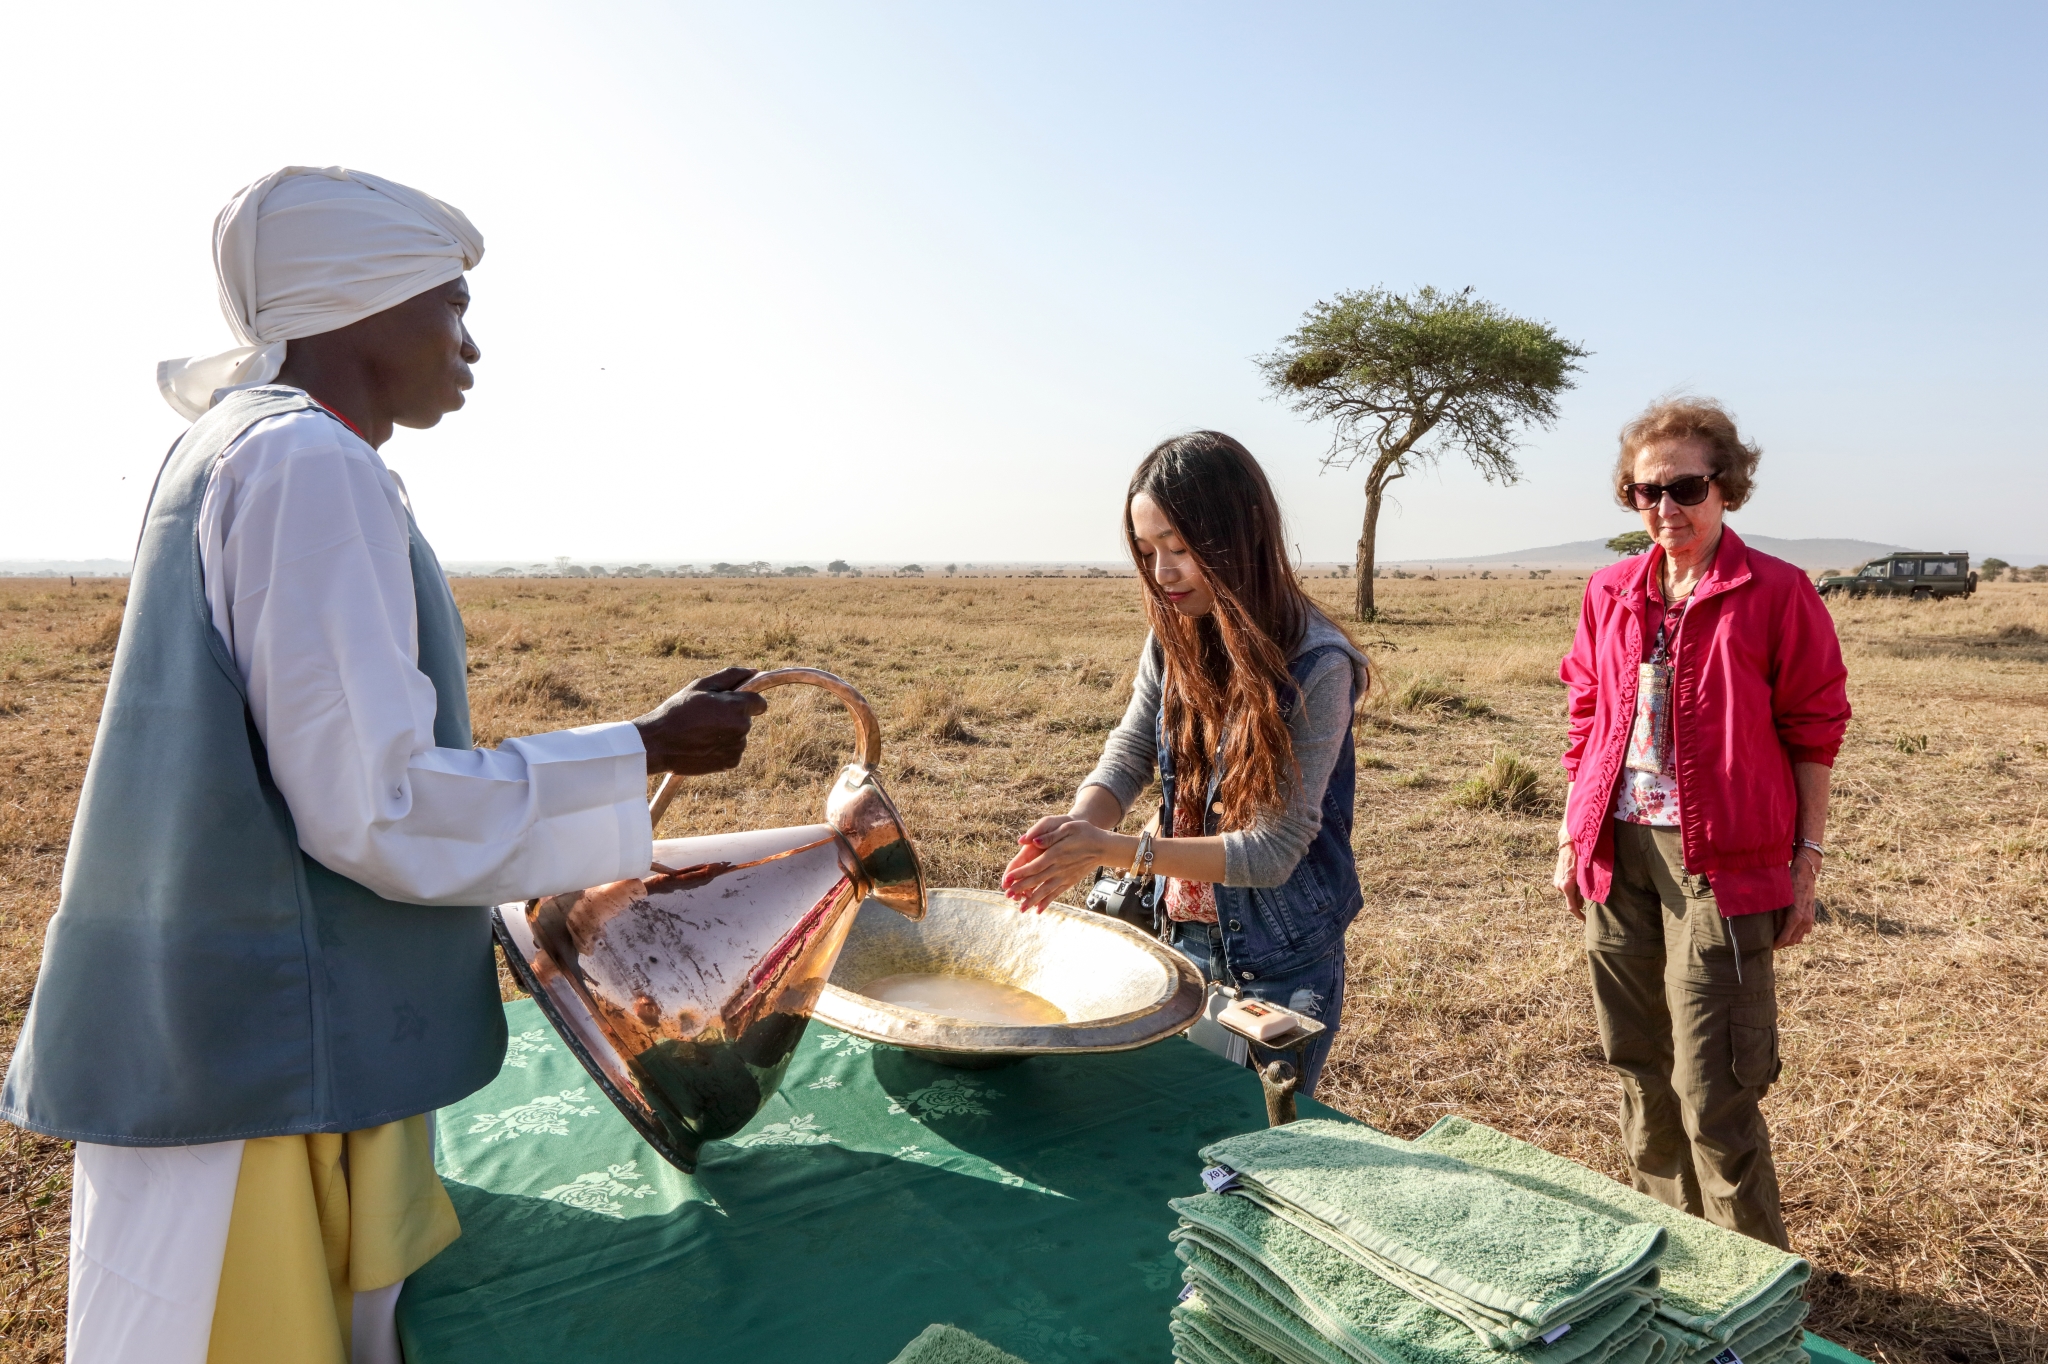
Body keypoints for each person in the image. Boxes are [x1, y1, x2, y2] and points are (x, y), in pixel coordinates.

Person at [0, 166, 768, 1364]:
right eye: (449, 306)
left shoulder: (236, 448)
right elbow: (378, 803)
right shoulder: (310, 465)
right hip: (255, 1053)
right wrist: (643, 750)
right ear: (359, 309)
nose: (468, 342)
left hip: (229, 1019)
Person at [1553, 397, 1850, 1249]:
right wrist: (1572, 833)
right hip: (1618, 848)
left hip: (1719, 859)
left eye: (1685, 487)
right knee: (1638, 1067)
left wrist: (1808, 860)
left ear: (1727, 487)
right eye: (1645, 493)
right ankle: (1672, 1255)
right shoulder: (1610, 590)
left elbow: (1814, 726)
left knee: (1713, 1085)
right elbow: (1587, 709)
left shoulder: (1777, 593)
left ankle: (1751, 1285)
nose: (1665, 509)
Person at [1001, 431, 1368, 1095]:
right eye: (1147, 552)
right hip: (1181, 936)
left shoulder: (1319, 664)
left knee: (1251, 1147)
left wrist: (1110, 849)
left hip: (1279, 959)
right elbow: (1135, 744)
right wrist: (1077, 829)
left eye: (1180, 547)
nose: (1163, 572)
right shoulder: (1174, 633)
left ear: (1239, 537)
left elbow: (1273, 851)